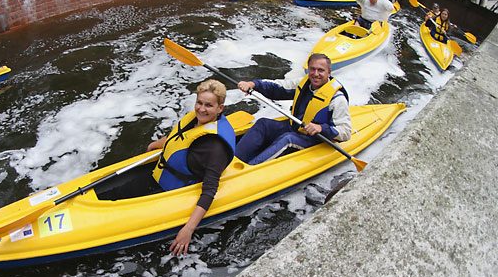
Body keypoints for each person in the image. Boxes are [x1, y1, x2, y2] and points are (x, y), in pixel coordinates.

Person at [147, 79, 236, 256]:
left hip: (175, 191)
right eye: (199, 103)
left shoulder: (215, 148)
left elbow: (210, 191)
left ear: (220, 108)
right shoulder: (195, 120)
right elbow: (178, 138)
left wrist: (188, 229)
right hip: (159, 174)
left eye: (209, 105)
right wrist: (155, 145)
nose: (202, 109)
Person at [234, 54, 352, 166]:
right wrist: (253, 84)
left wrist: (321, 128)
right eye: (312, 69)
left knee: (288, 139)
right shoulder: (304, 83)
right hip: (295, 128)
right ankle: (233, 161)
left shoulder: (337, 99)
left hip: (315, 140)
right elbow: (277, 87)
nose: (316, 74)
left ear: (329, 72)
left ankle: (248, 170)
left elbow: (345, 132)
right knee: (263, 124)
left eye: (321, 70)